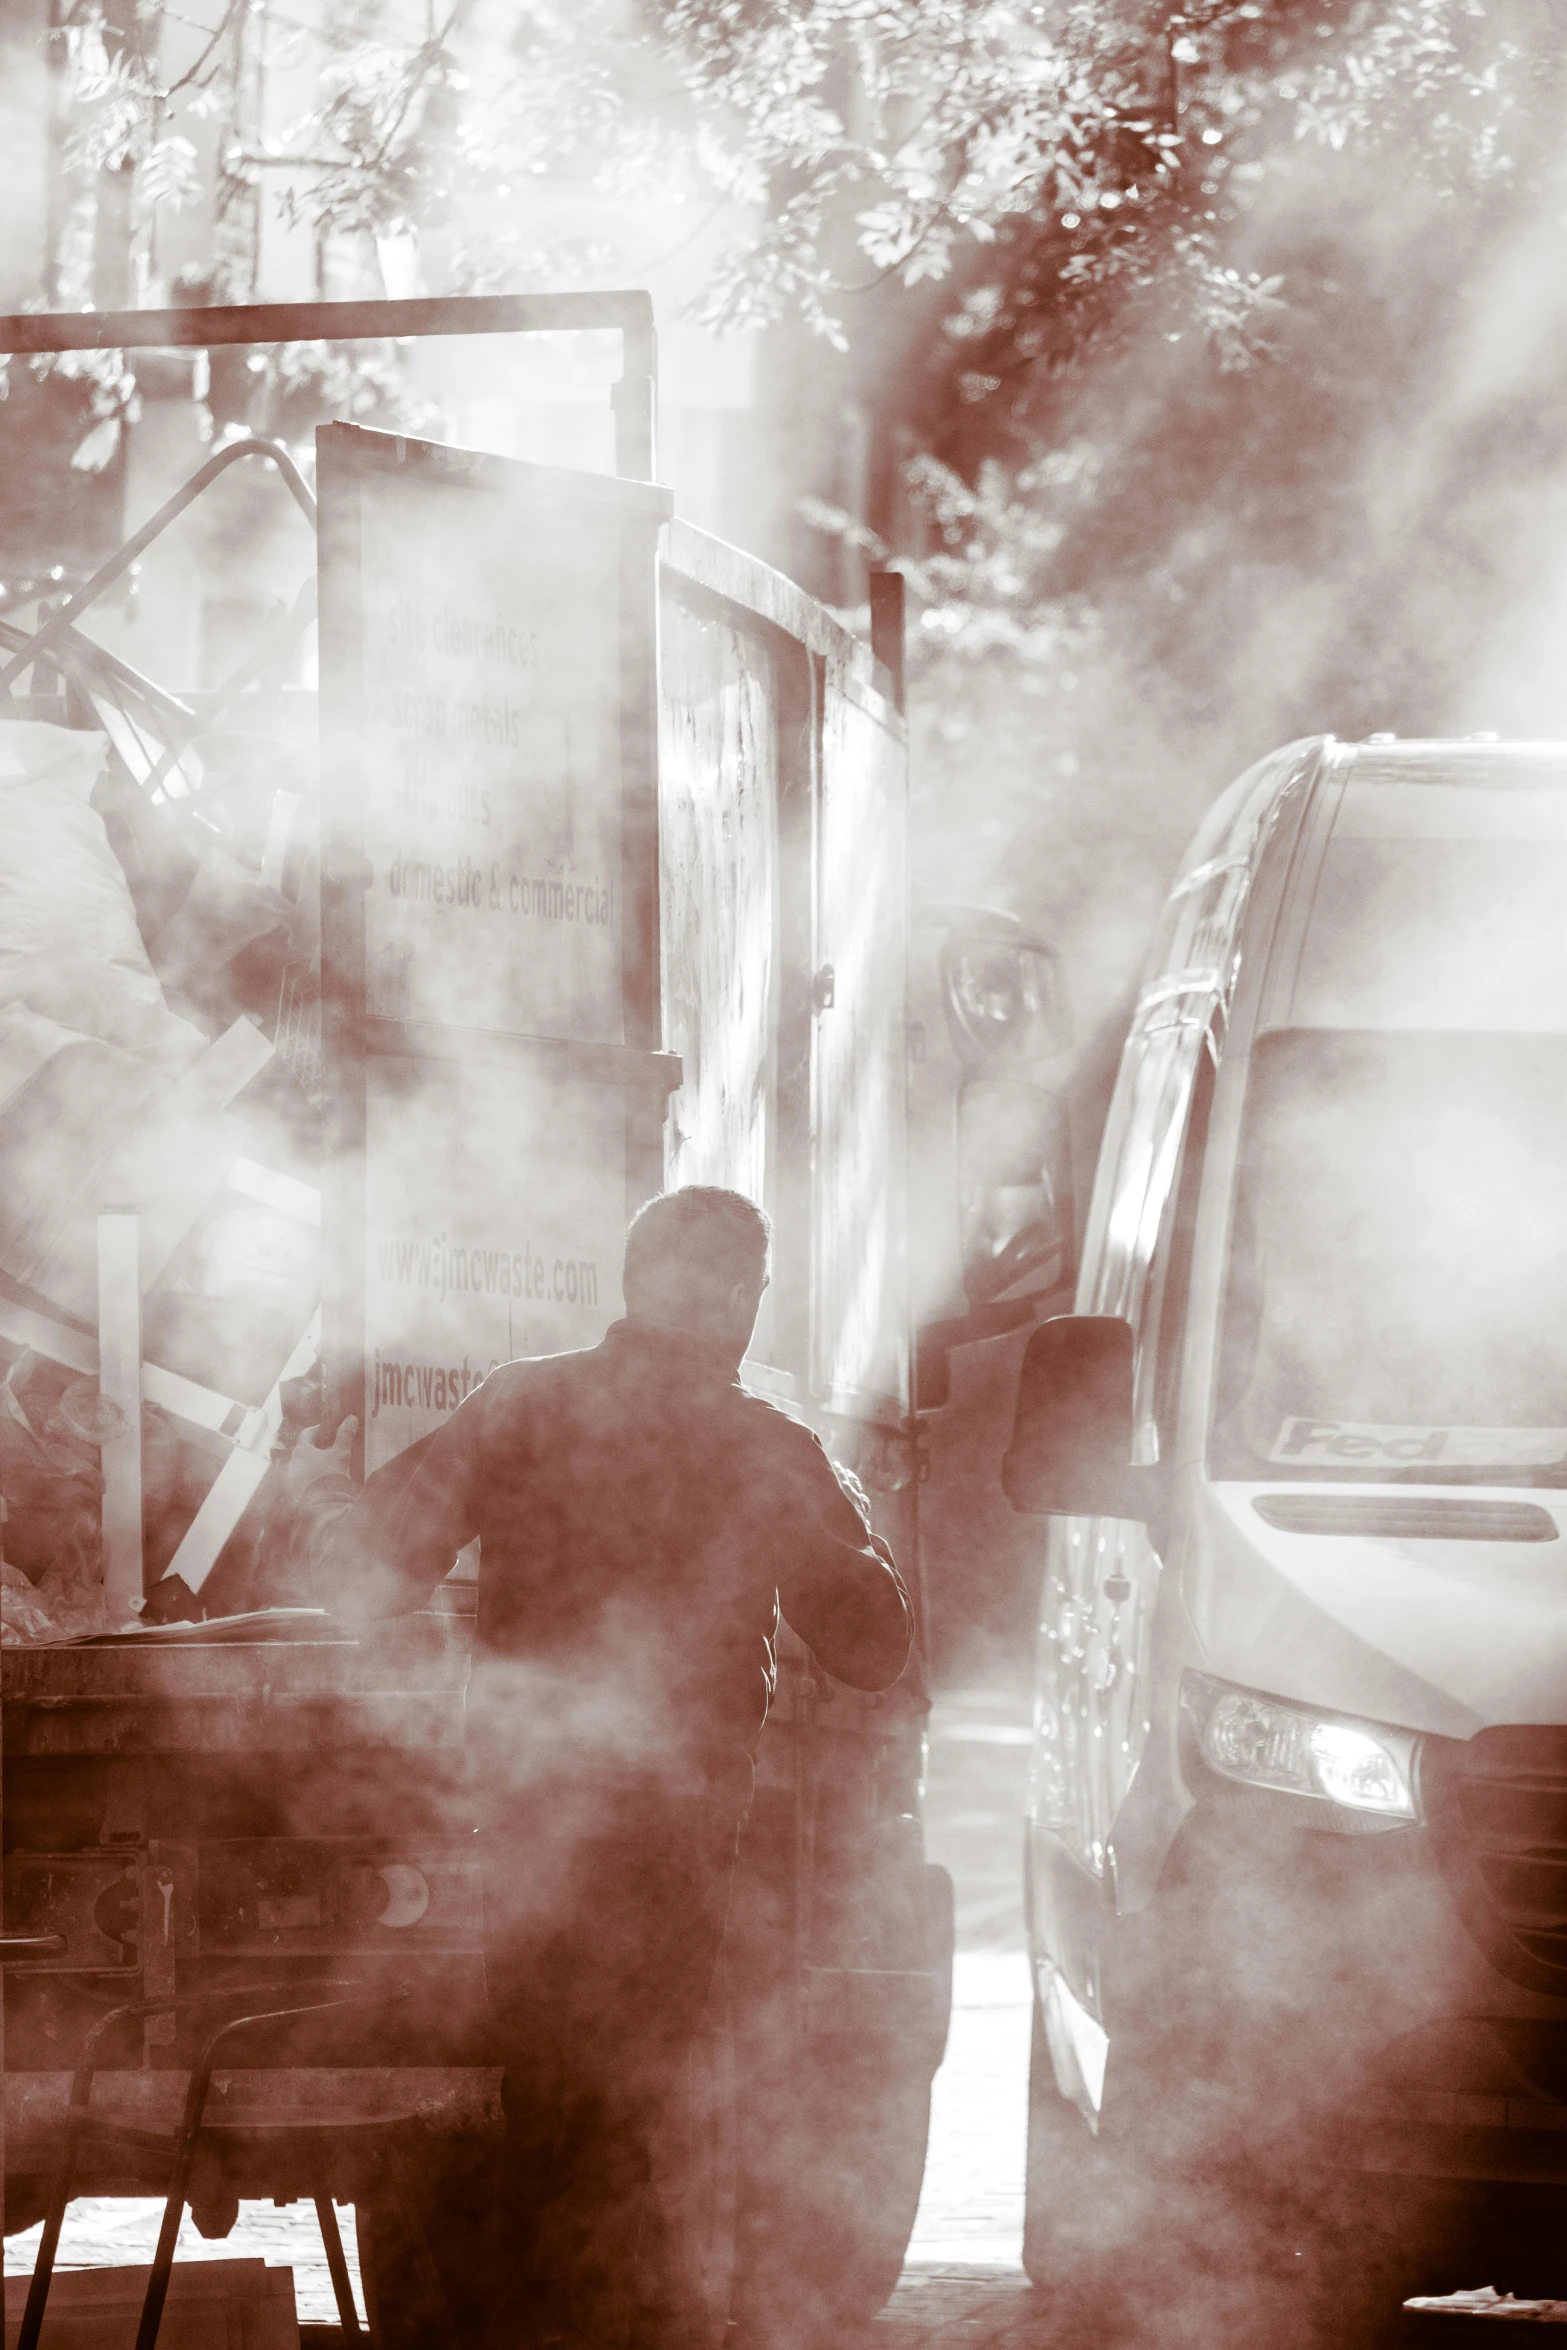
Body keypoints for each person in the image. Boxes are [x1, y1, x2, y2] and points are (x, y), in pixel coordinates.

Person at [285, 1185, 913, 2349]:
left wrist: (316, 1496)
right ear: (739, 1300)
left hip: (523, 1843)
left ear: (632, 1282)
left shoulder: (522, 1404)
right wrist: (834, 1528)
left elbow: (365, 1572)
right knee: (643, 2125)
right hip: (677, 1867)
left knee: (517, 2093)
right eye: (743, 1286)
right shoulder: (764, 1447)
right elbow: (876, 1647)